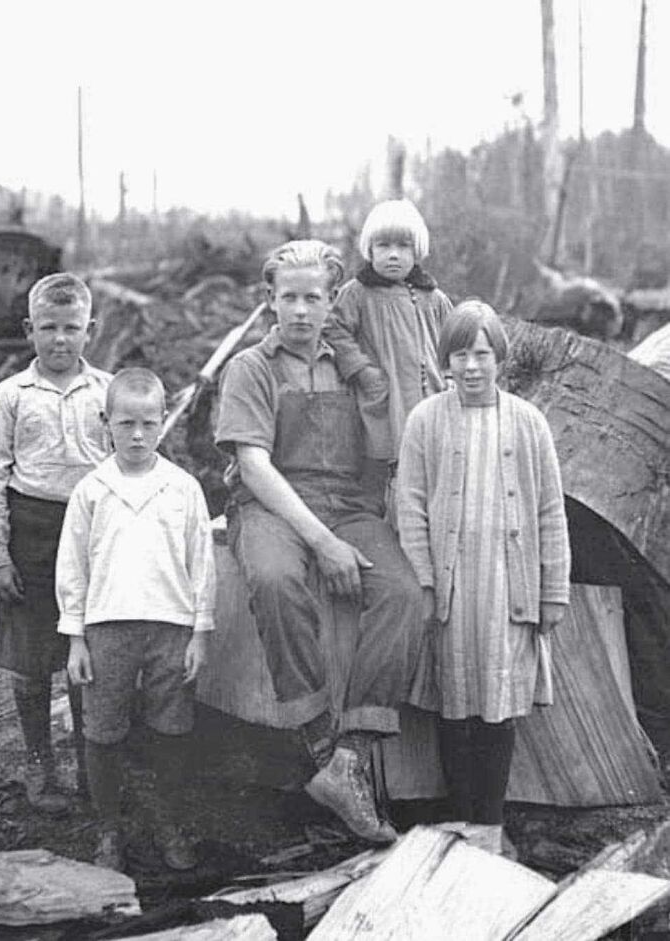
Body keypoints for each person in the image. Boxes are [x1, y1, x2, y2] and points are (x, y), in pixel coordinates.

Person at [215, 239, 423, 844]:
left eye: (314, 297)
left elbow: (386, 452)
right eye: (289, 298)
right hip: (272, 506)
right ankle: (317, 739)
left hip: (351, 508)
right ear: (269, 301)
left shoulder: (352, 370)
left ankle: (350, 759)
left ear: (332, 300)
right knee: (277, 580)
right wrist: (322, 543)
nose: (301, 310)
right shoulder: (251, 367)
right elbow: (253, 465)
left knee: (405, 595)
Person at [396, 299, 570, 855]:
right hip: (451, 589)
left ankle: (491, 827)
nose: (471, 367)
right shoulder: (426, 419)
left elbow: (549, 510)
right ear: (445, 361)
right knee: (454, 701)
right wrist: (424, 580)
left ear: (499, 358)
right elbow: (411, 503)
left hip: (507, 587)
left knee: (498, 703)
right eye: (460, 356)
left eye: (482, 354)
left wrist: (553, 589)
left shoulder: (527, 422)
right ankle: (462, 822)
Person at [56, 368, 216, 872]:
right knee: (103, 730)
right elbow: (72, 565)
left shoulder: (182, 487)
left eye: (149, 423)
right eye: (126, 424)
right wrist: (76, 637)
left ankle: (167, 821)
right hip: (108, 628)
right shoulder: (92, 490)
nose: (138, 435)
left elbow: (202, 562)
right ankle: (109, 828)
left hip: (170, 626)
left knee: (171, 727)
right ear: (107, 422)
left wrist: (200, 631)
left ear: (164, 420)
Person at [0, 273, 111, 814]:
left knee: (89, 655)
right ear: (30, 330)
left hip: (93, 536)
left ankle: (88, 765)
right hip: (30, 534)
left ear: (90, 330)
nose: (60, 340)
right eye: (49, 328)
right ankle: (39, 765)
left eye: (72, 328)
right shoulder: (10, 396)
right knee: (32, 661)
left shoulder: (108, 389)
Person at [323, 198, 452, 470]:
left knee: (432, 458)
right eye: (384, 246)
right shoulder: (358, 294)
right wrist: (362, 371)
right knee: (387, 464)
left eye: (403, 246)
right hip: (386, 397)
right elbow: (334, 330)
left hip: (431, 395)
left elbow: (453, 340)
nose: (393, 255)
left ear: (417, 250)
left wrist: (450, 376)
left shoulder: (434, 298)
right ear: (369, 249)